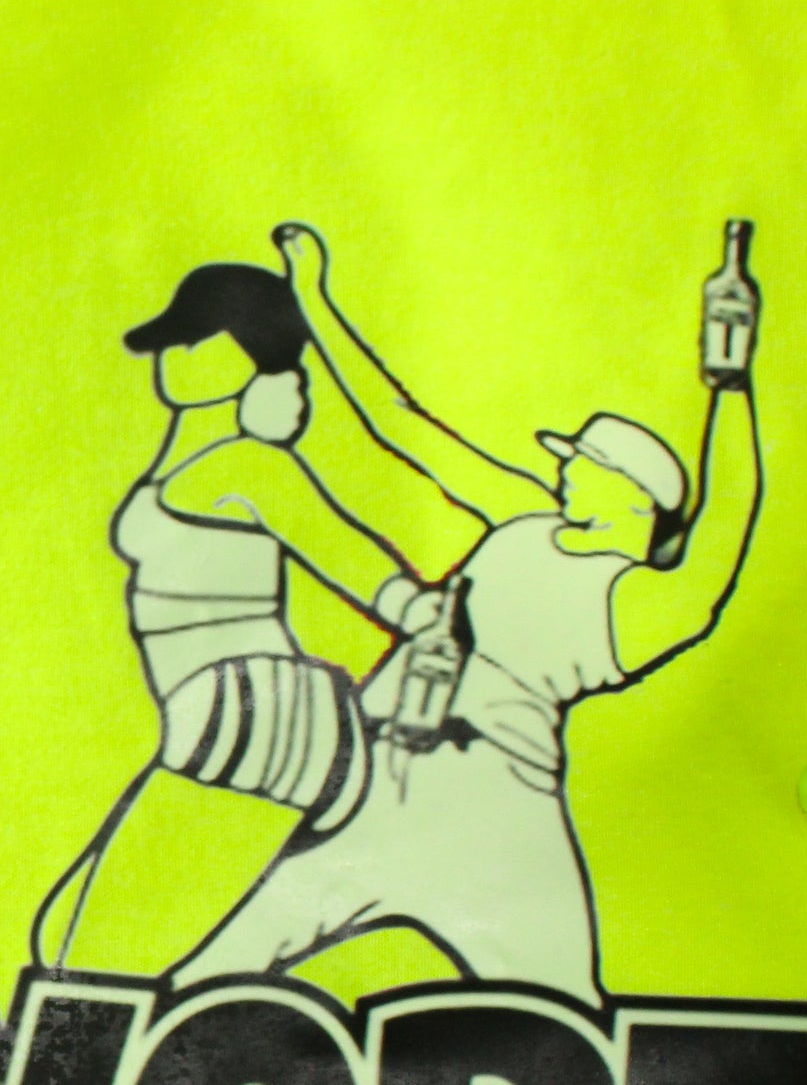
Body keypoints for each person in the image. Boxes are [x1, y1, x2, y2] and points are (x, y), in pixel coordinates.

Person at [166, 221, 765, 1003]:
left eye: (581, 463)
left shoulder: (639, 603)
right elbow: (400, 422)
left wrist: (730, 382)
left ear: (633, 496)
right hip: (382, 774)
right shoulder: (525, 521)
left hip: (496, 809)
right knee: (206, 980)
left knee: (564, 1015)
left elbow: (726, 527)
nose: (565, 470)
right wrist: (315, 296)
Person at [29, 258, 441, 968]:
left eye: (198, 340)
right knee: (64, 943)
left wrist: (414, 606)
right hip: (225, 717)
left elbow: (339, 546)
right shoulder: (194, 457)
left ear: (250, 356)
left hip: (250, 713)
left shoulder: (245, 464)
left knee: (96, 967)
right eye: (177, 340)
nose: (177, 355)